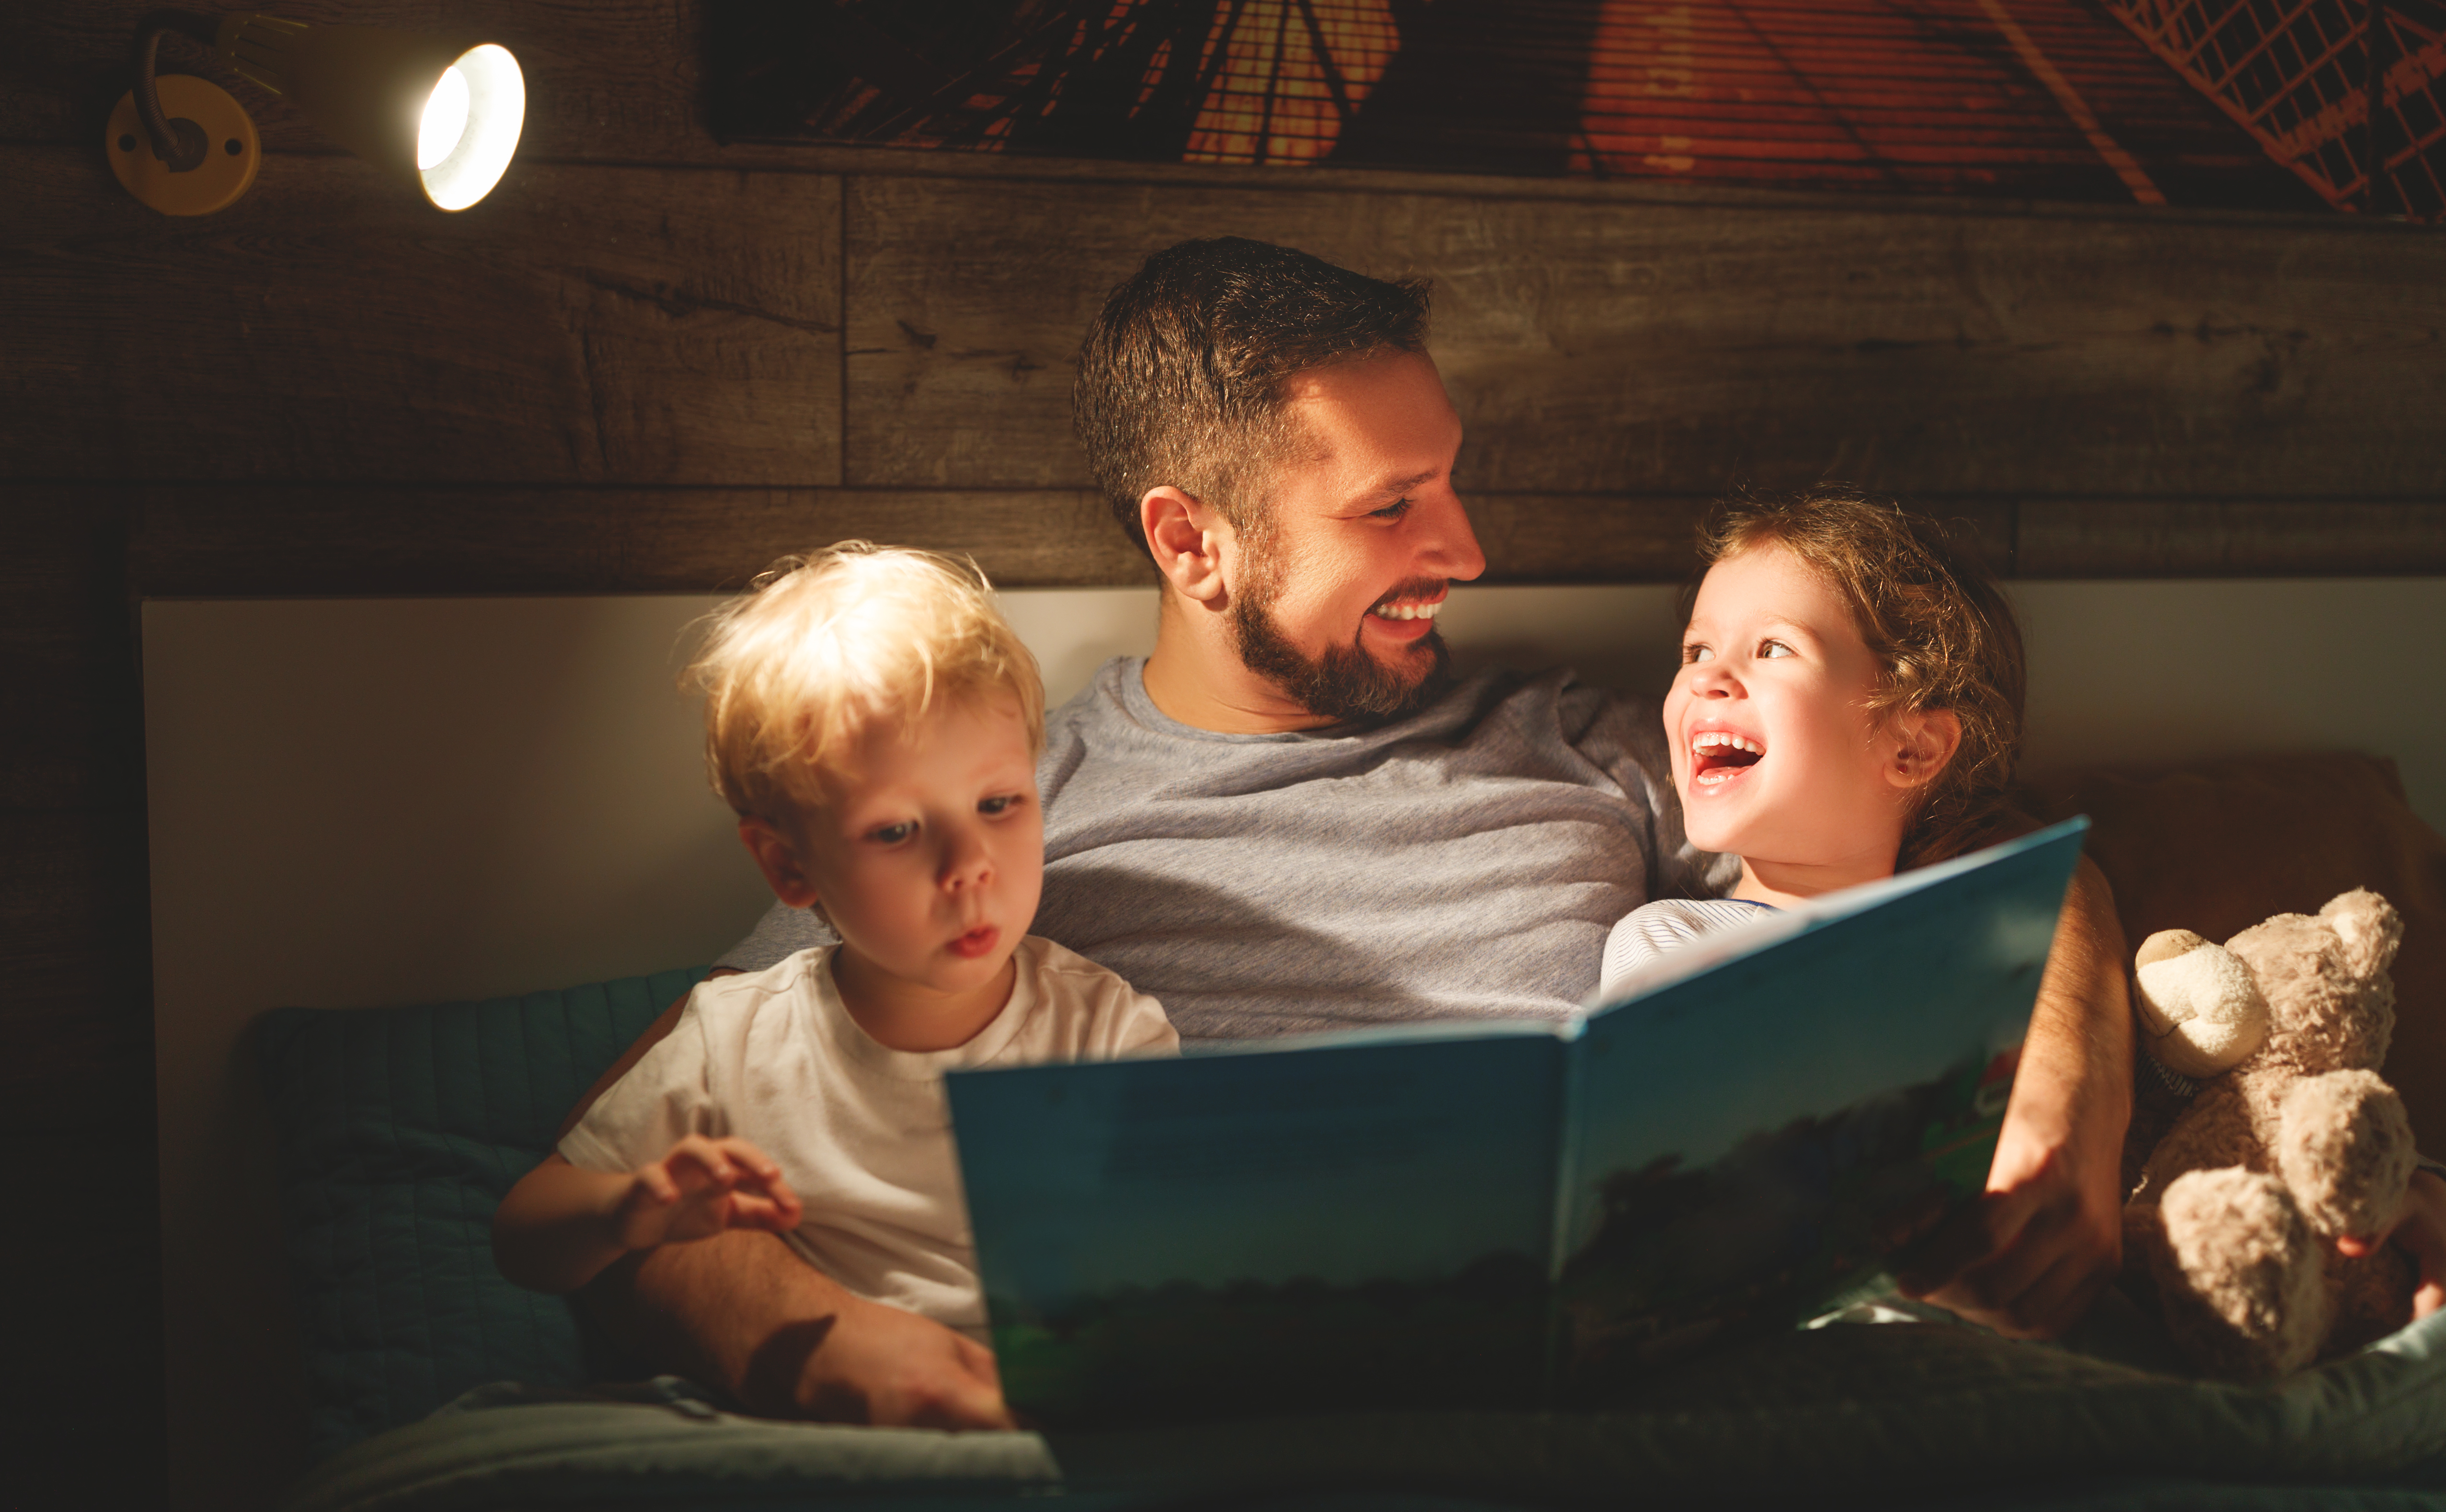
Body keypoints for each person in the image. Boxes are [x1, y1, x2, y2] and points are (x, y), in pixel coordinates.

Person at [575, 238, 2138, 1427]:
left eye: (1448, 482)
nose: (1463, 547)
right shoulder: (998, 812)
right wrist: (824, 1337)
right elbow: (650, 1128)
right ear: (1193, 542)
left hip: (1583, 1389)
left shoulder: (1591, 744)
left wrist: (2067, 1082)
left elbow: (1973, 832)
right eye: (1391, 508)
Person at [1602, 491, 2446, 1321]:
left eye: (1771, 649)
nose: (1708, 680)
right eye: (1694, 651)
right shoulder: (1674, 939)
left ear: (1912, 746)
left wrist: (2406, 1184)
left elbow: (2208, 1113)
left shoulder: (2012, 945)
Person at [492, 544, 1176, 1427]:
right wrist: (631, 1210)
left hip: (1050, 1423)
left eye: (1000, 804)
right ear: (787, 866)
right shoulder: (736, 1039)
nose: (968, 867)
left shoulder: (1103, 1030)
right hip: (829, 1437)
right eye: (896, 830)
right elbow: (523, 1234)